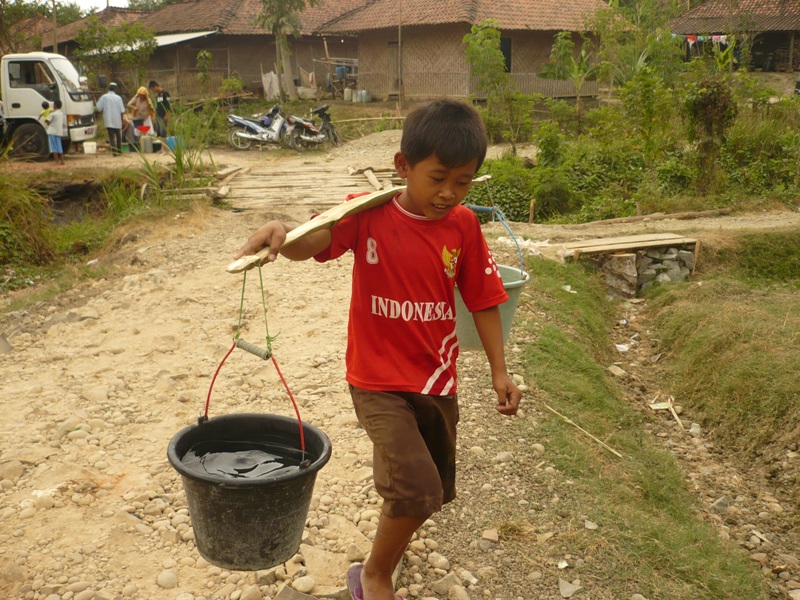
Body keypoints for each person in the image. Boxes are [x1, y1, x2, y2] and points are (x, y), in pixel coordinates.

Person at [234, 99, 522, 600]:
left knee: (430, 487)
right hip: (376, 381)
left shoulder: (464, 228)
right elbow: (313, 241)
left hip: (436, 380)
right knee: (417, 487)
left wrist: (501, 371)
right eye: (438, 178)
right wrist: (283, 234)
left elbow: (484, 301)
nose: (449, 193)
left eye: (464, 181)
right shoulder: (365, 214)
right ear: (402, 166)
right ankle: (373, 575)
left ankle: (392, 544)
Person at [95, 82, 126, 156]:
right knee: (118, 136)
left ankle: (114, 152)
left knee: (111, 137)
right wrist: (122, 120)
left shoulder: (104, 97)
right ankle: (119, 151)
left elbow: (98, 108)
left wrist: (94, 99)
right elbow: (122, 111)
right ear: (115, 89)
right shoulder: (118, 98)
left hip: (108, 120)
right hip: (117, 120)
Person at [43, 99, 65, 166]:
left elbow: (47, 121)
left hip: (51, 132)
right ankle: (62, 161)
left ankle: (57, 162)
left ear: (55, 105)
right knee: (59, 147)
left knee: (53, 147)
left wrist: (46, 120)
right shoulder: (61, 113)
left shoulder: (52, 114)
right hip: (58, 132)